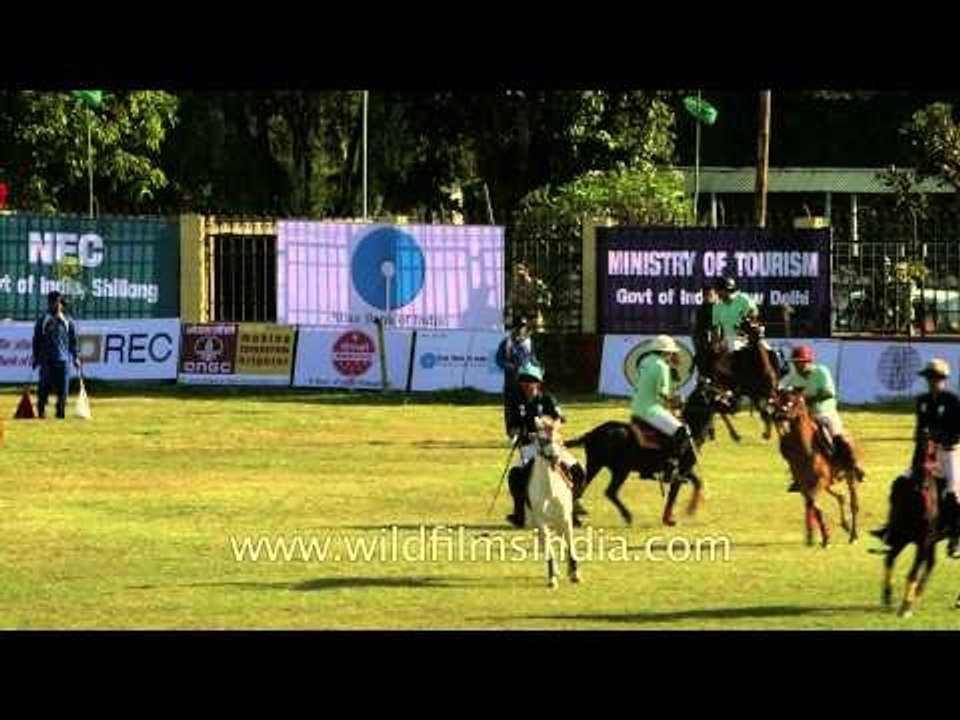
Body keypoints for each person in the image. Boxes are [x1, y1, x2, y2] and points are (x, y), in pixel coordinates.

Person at [871, 358, 960, 558]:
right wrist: (920, 443)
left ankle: (956, 538)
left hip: (949, 452)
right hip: (926, 452)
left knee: (954, 492)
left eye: (936, 378)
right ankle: (891, 530)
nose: (932, 382)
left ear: (943, 379)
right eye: (929, 378)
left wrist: (938, 437)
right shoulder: (922, 401)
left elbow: (957, 432)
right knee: (900, 484)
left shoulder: (953, 401)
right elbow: (919, 428)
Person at [505, 362, 586, 528]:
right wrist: (518, 433)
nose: (527, 384)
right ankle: (519, 513)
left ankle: (573, 506)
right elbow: (511, 427)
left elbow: (560, 418)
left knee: (579, 472)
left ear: (539, 382)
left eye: (531, 380)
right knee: (515, 476)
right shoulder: (514, 402)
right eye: (524, 380)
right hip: (529, 446)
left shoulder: (548, 399)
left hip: (552, 443)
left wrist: (552, 428)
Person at [780, 344, 866, 491]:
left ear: (809, 361)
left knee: (836, 435)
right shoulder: (793, 378)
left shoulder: (821, 372)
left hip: (825, 412)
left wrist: (809, 399)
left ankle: (852, 464)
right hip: (805, 416)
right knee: (790, 440)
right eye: (795, 362)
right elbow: (781, 388)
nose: (798, 365)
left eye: (801, 362)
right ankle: (797, 474)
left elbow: (829, 393)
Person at [629, 334, 693, 464]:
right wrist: (678, 403)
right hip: (650, 410)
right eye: (671, 353)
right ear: (666, 352)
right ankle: (669, 463)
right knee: (681, 431)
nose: (672, 355)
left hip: (636, 407)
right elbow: (663, 394)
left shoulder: (645, 361)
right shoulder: (662, 366)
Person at [31, 291, 80, 419]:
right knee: (43, 389)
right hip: (46, 360)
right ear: (49, 303)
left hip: (63, 360)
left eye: (58, 302)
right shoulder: (43, 320)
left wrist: (75, 357)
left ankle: (60, 412)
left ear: (61, 304)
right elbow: (36, 340)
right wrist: (35, 357)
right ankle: (41, 411)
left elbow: (73, 341)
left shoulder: (68, 321)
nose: (56, 305)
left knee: (63, 390)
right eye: (53, 302)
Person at [495, 316, 536, 440]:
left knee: (527, 407)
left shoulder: (529, 342)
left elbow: (533, 358)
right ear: (514, 328)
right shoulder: (506, 342)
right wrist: (511, 367)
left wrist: (536, 368)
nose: (521, 330)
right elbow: (499, 360)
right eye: (518, 327)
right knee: (511, 408)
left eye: (523, 327)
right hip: (511, 382)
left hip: (526, 382)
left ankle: (526, 432)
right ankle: (512, 433)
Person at [711, 276, 759, 378]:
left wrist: (746, 317)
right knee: (721, 361)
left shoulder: (743, 298)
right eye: (719, 291)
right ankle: (732, 378)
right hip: (731, 338)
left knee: (771, 352)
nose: (719, 293)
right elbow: (716, 329)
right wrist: (715, 344)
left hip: (750, 336)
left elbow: (755, 312)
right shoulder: (717, 307)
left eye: (728, 290)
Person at [692, 285, 719, 379]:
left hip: (721, 348)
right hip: (706, 350)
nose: (707, 297)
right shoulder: (700, 311)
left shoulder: (721, 309)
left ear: (716, 295)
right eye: (705, 295)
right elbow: (696, 333)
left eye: (710, 295)